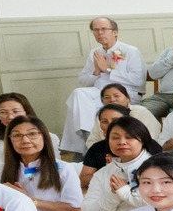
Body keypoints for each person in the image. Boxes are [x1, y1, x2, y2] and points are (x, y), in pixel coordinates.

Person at [2, 116, 81, 211]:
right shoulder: (2, 169)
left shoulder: (63, 169)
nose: (25, 140)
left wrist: (31, 201)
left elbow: (75, 209)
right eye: (17, 135)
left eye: (32, 134)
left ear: (44, 137)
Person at [63, 18, 146, 151]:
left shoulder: (130, 51)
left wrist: (107, 69)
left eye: (103, 29)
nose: (100, 33)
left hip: (125, 94)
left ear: (115, 32)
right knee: (78, 94)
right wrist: (96, 71)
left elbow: (138, 80)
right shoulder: (95, 53)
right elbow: (84, 81)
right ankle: (87, 139)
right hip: (100, 93)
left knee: (83, 105)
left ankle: (87, 146)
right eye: (96, 30)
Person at [82, 116, 156, 211]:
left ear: (142, 140)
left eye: (129, 137)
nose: (122, 142)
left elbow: (161, 201)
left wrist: (124, 191)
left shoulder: (160, 167)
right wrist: (113, 195)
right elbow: (88, 210)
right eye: (115, 138)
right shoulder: (103, 173)